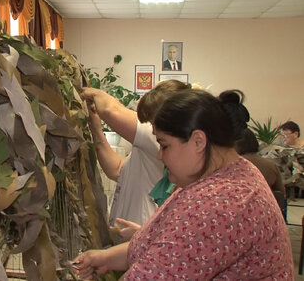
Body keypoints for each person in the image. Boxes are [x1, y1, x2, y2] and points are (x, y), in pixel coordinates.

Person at [73, 89, 293, 280]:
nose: (160, 156)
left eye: (164, 145)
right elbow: (166, 246)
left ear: (198, 141)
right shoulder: (230, 174)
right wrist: (105, 258)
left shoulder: (220, 205)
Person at [82, 80, 191, 228]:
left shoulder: (158, 137)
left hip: (140, 229)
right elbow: (117, 170)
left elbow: (110, 110)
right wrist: (95, 128)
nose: (151, 127)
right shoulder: (153, 142)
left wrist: (90, 92)